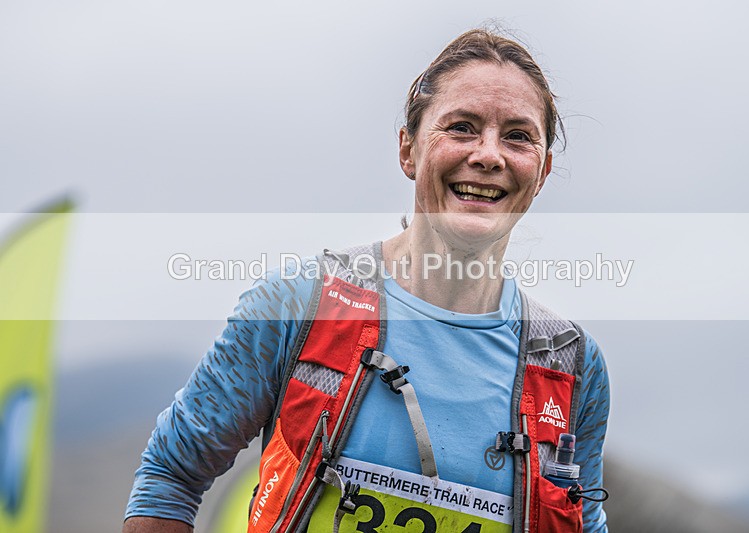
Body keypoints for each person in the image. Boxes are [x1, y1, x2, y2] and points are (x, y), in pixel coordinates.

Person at [124, 29, 610, 533]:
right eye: (462, 128)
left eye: (517, 136)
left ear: (543, 171)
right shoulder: (298, 305)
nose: (489, 155)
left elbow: (584, 522)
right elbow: (170, 475)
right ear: (409, 151)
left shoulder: (570, 362)